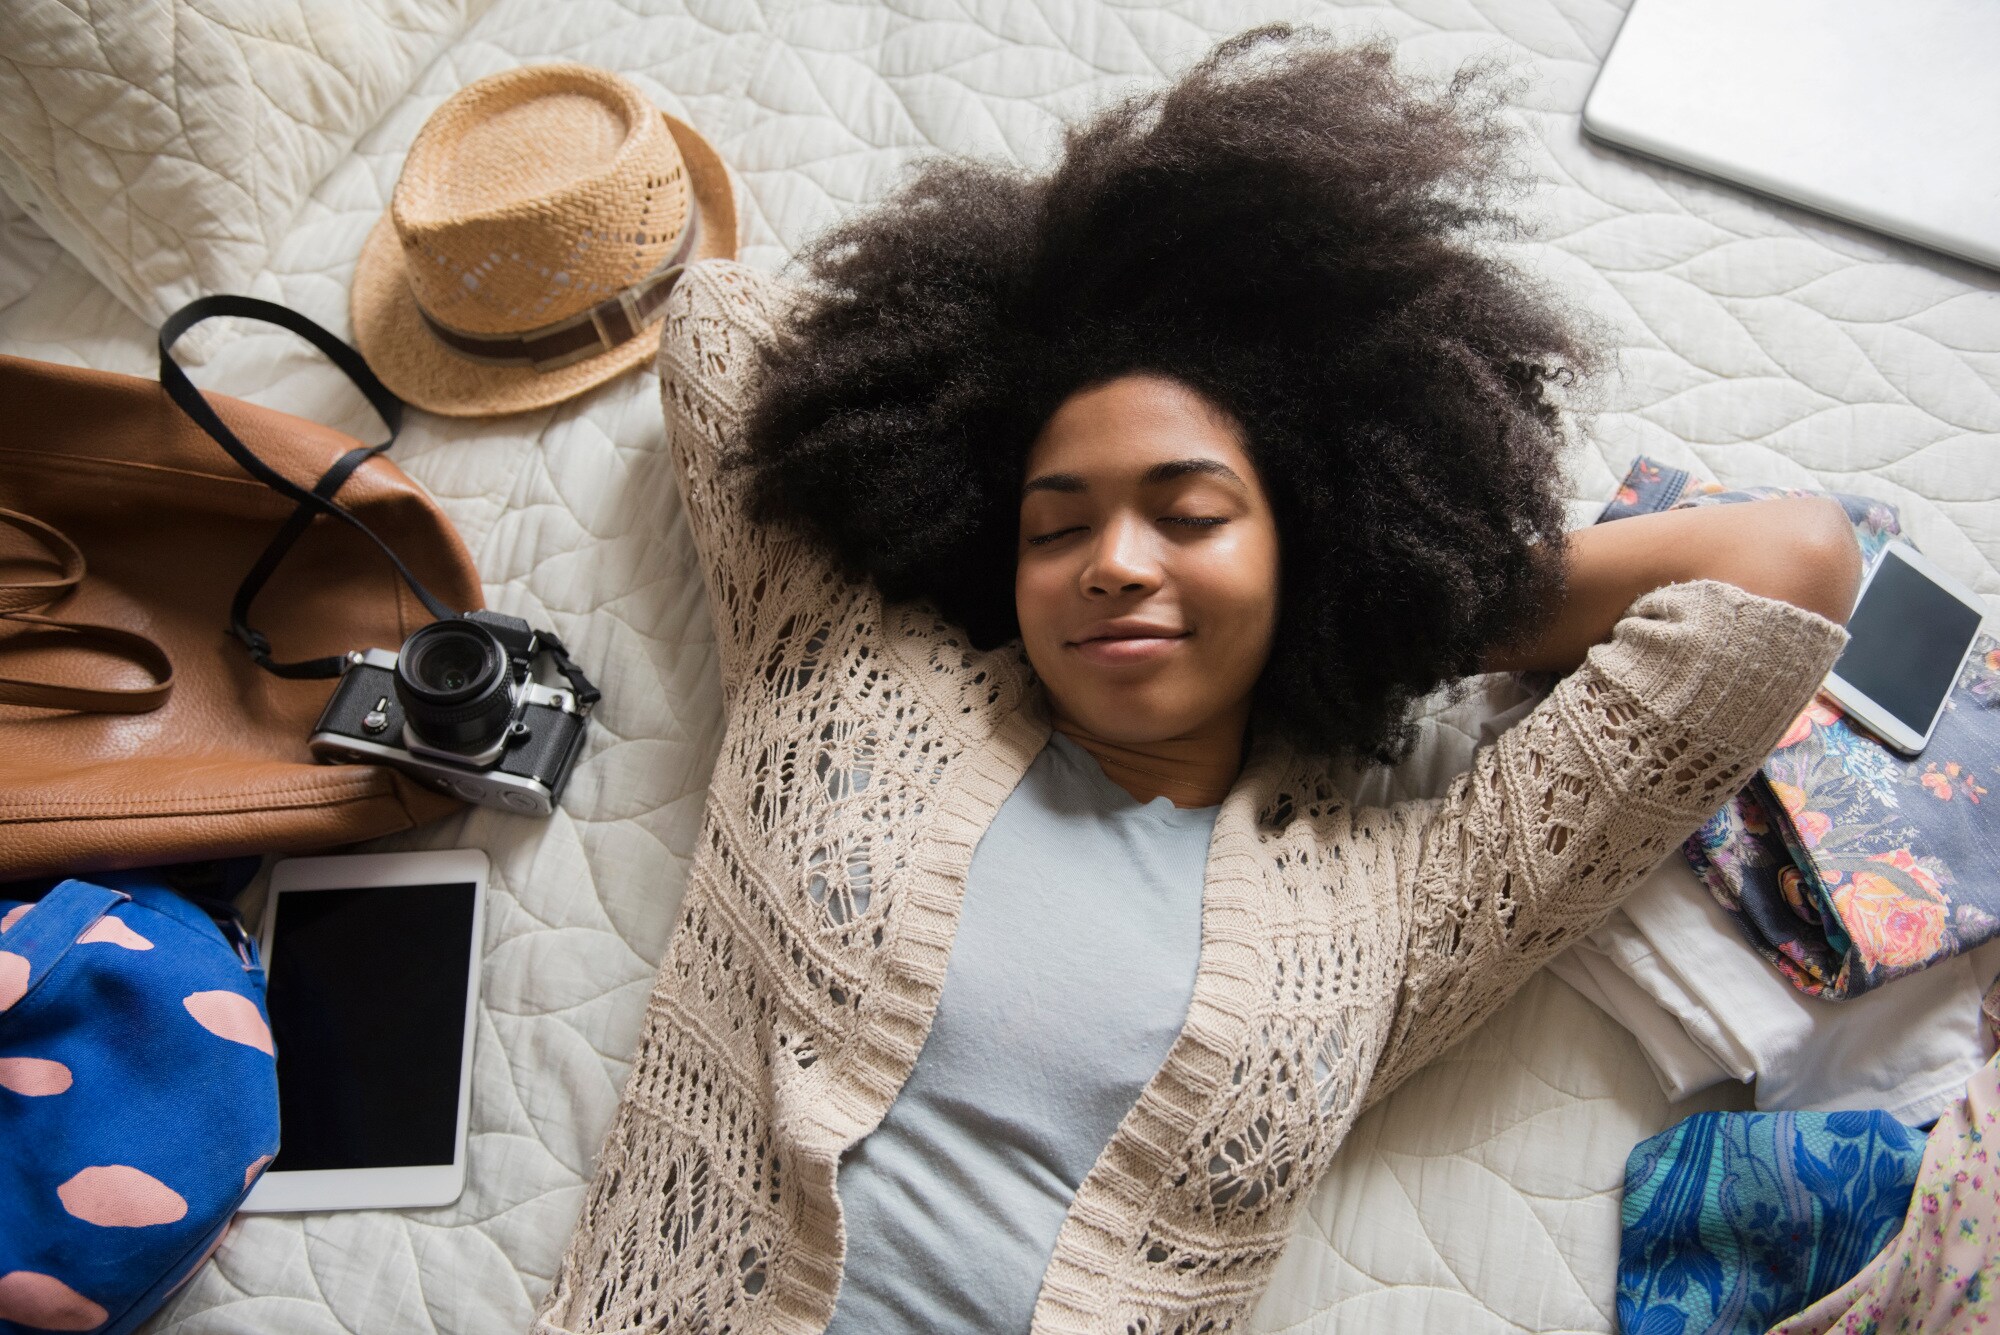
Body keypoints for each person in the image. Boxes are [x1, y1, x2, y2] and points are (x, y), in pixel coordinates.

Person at [532, 26, 1862, 1335]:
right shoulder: (849, 682)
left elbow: (1791, 561)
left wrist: (1383, 599)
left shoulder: (1388, 915)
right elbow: (719, 324)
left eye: (1188, 516)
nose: (1112, 561)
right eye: (1056, 528)